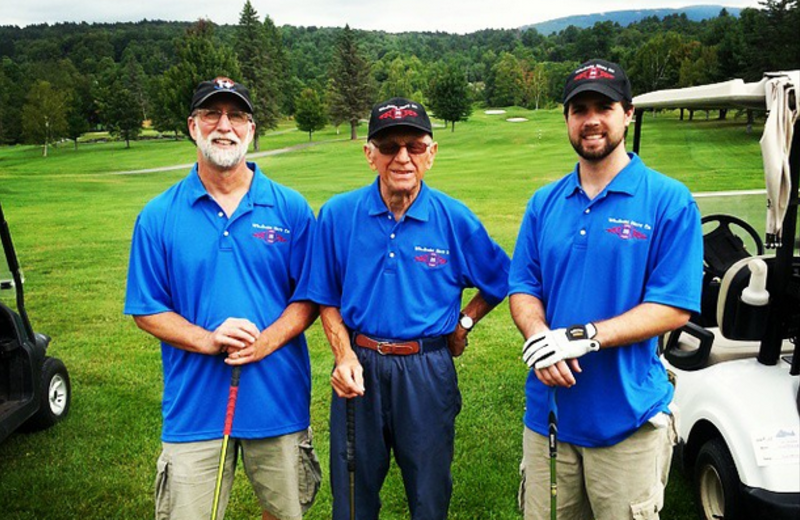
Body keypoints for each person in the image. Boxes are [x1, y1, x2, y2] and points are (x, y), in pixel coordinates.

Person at [509, 60, 703, 520]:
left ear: (628, 113)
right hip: (548, 417)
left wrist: (578, 337)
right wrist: (539, 335)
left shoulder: (668, 199)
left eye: (604, 106)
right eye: (579, 109)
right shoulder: (544, 203)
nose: (591, 119)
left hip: (628, 420)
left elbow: (673, 306)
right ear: (567, 119)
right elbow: (523, 286)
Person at [124, 77, 320, 520]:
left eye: (237, 116)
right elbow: (147, 308)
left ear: (251, 129)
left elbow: (309, 297)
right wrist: (209, 340)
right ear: (193, 126)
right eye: (212, 114)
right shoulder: (158, 216)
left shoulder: (290, 208)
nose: (224, 126)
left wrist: (264, 342)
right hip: (194, 411)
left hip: (278, 404)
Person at [307, 97, 510, 520]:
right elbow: (325, 295)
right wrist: (343, 355)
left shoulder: (454, 218)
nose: (401, 157)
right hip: (359, 366)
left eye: (414, 146)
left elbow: (500, 279)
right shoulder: (338, 215)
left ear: (431, 154)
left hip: (426, 369)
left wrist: (465, 321)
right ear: (370, 154)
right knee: (351, 492)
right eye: (388, 146)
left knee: (428, 492)